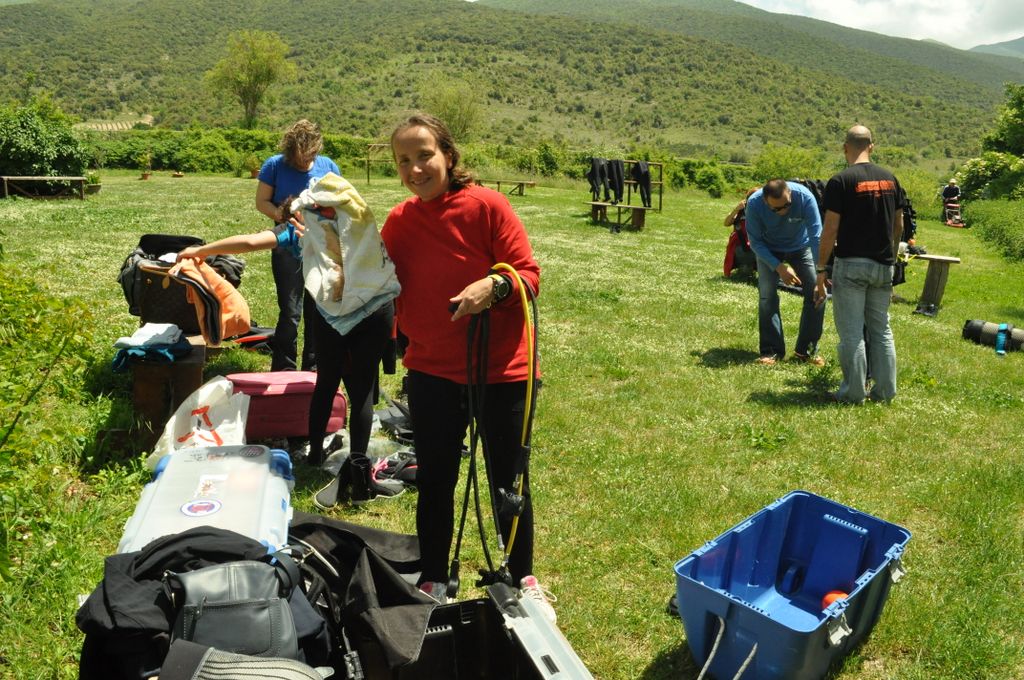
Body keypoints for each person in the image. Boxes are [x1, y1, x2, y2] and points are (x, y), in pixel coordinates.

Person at [380, 113, 553, 618]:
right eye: (403, 160)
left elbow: (528, 276)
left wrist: (493, 286)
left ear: (449, 155)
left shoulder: (487, 206)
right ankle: (434, 576)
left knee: (508, 481)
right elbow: (376, 280)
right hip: (431, 372)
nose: (415, 168)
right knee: (435, 479)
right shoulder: (399, 222)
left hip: (501, 372)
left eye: (424, 155)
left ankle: (522, 577)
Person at [177, 181, 397, 493]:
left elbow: (251, 242)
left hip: (334, 312)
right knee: (361, 388)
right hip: (376, 308)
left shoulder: (295, 231)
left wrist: (201, 250)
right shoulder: (353, 220)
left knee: (327, 382)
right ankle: (359, 470)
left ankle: (316, 456)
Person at [814, 125, 904, 403]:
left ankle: (853, 393)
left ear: (845, 148)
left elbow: (830, 229)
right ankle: (885, 392)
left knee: (852, 333)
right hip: (883, 265)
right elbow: (898, 225)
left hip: (852, 265)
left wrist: (821, 269)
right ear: (872, 146)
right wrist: (891, 259)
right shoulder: (890, 179)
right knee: (881, 331)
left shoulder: (840, 181)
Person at [256, 119, 341, 372]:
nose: (305, 162)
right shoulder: (274, 165)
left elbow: (340, 202)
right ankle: (284, 368)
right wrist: (285, 217)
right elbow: (261, 202)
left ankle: (314, 367)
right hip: (287, 241)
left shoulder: (329, 166)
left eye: (310, 156)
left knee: (317, 309)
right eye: (299, 157)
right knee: (290, 311)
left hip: (321, 245)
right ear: (289, 150)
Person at [744, 179, 825, 366]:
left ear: (790, 194)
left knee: (818, 293)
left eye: (787, 205)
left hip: (801, 247)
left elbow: (816, 237)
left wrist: (821, 271)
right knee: (767, 296)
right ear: (765, 201)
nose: (784, 211)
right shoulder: (754, 203)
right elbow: (755, 242)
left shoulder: (805, 197)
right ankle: (771, 351)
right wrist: (779, 267)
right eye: (777, 209)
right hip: (768, 248)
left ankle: (806, 351)